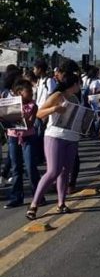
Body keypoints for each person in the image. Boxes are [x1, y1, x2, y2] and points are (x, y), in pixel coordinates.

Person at [26, 71, 83, 220]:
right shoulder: (58, 96)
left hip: (72, 137)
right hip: (55, 136)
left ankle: (61, 203)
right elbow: (39, 113)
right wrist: (54, 109)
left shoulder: (75, 98)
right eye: (78, 83)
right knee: (53, 171)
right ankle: (34, 204)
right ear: (73, 84)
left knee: (65, 171)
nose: (80, 86)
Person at [3, 79, 40, 208]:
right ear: (19, 93)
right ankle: (16, 197)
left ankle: (38, 195)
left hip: (28, 138)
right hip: (13, 137)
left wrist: (20, 117)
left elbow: (29, 124)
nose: (31, 93)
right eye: (28, 91)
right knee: (16, 168)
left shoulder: (33, 106)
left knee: (30, 167)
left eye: (31, 91)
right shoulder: (10, 104)